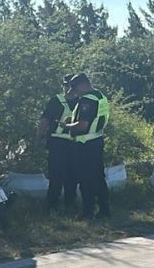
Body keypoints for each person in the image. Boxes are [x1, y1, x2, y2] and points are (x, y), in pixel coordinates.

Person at [60, 73, 110, 219]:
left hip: (85, 144)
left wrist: (67, 126)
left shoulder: (87, 100)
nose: (74, 92)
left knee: (86, 179)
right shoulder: (100, 96)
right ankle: (104, 210)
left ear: (83, 85)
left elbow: (82, 125)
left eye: (75, 88)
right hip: (97, 140)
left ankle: (88, 212)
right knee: (99, 178)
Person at [35, 76, 79, 214]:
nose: (68, 88)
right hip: (63, 143)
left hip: (67, 143)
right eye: (66, 86)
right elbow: (44, 121)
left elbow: (44, 121)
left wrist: (39, 137)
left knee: (66, 176)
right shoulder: (60, 101)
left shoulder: (77, 101)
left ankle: (62, 205)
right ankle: (59, 205)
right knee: (62, 176)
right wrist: (39, 136)